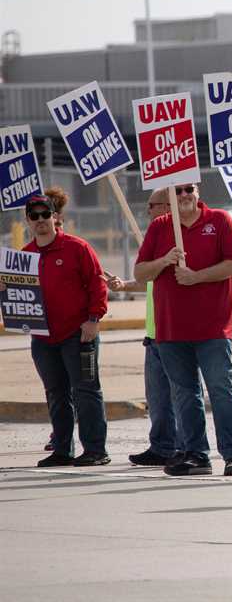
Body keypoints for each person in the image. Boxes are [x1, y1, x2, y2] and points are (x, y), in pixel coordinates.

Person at [134, 183, 232, 477]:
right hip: (171, 329)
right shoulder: (160, 227)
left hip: (213, 327)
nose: (183, 195)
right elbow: (140, 272)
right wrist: (163, 261)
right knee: (185, 395)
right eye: (178, 190)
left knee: (221, 390)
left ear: (198, 191)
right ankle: (197, 456)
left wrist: (197, 277)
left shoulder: (219, 220)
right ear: (170, 196)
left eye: (188, 189)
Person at [24, 191, 110, 467]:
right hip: (43, 337)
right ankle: (62, 449)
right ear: (27, 220)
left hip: (78, 334)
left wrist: (94, 319)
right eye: (34, 216)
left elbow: (98, 284)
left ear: (55, 216)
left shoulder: (77, 248)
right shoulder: (24, 257)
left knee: (86, 391)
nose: (41, 220)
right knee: (56, 393)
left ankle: (96, 450)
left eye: (45, 214)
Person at [105, 188, 183, 466]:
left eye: (152, 205)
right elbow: (150, 278)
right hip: (154, 332)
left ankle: (184, 448)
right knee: (158, 397)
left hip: (176, 333)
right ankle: (161, 447)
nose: (148, 210)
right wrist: (125, 285)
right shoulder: (156, 238)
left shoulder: (179, 241)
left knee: (182, 395)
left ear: (166, 207)